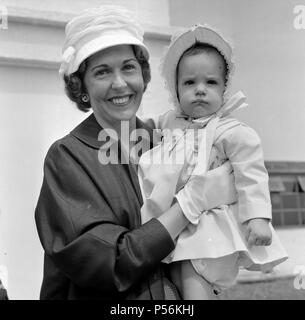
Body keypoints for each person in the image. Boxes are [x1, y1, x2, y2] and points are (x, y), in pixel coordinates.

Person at [34, 6, 236, 300]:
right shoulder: (68, 157)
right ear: (82, 87)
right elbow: (111, 264)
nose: (120, 83)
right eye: (102, 72)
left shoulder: (166, 142)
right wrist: (191, 203)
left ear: (142, 75)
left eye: (128, 67)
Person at [138, 25, 288, 300]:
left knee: (194, 280)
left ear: (224, 88)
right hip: (182, 226)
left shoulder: (230, 130)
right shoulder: (170, 122)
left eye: (210, 83)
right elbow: (146, 128)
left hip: (212, 228)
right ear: (175, 89)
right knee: (177, 282)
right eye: (189, 83)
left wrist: (258, 217)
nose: (199, 90)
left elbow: (250, 172)